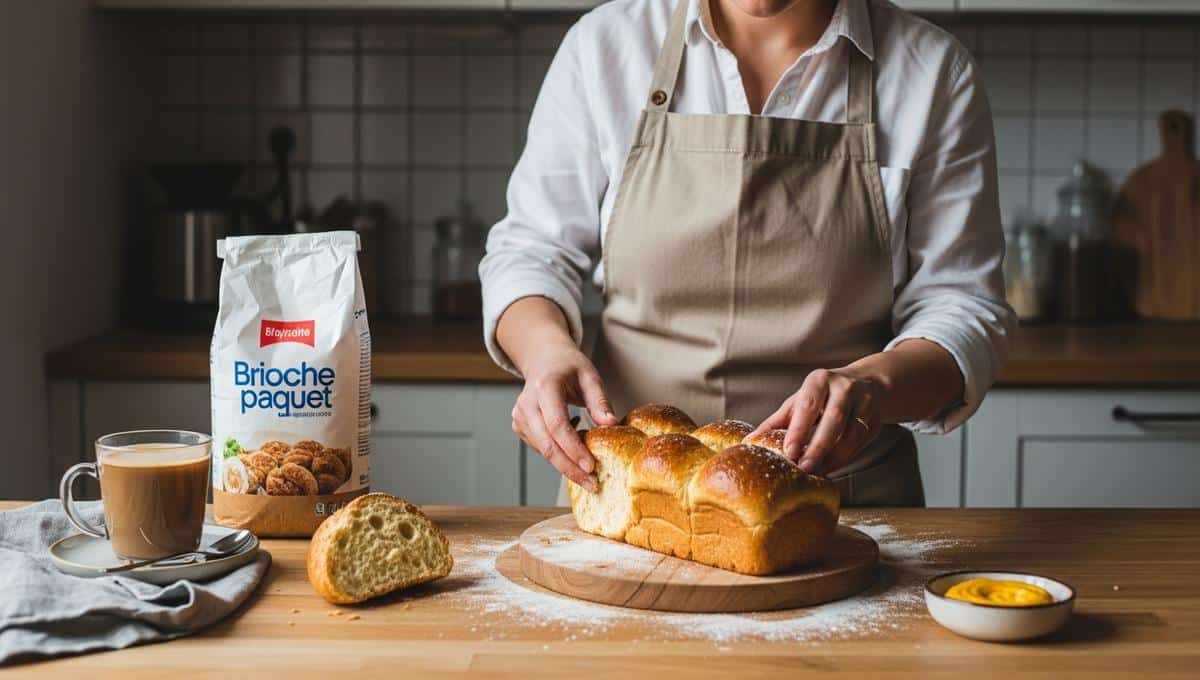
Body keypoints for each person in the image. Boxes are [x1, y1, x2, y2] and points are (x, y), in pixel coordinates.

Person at [480, 0, 1014, 507]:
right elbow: (530, 251)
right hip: (632, 496)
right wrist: (544, 351)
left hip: (844, 504)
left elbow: (962, 304)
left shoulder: (932, 73)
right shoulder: (604, 49)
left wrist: (875, 385)